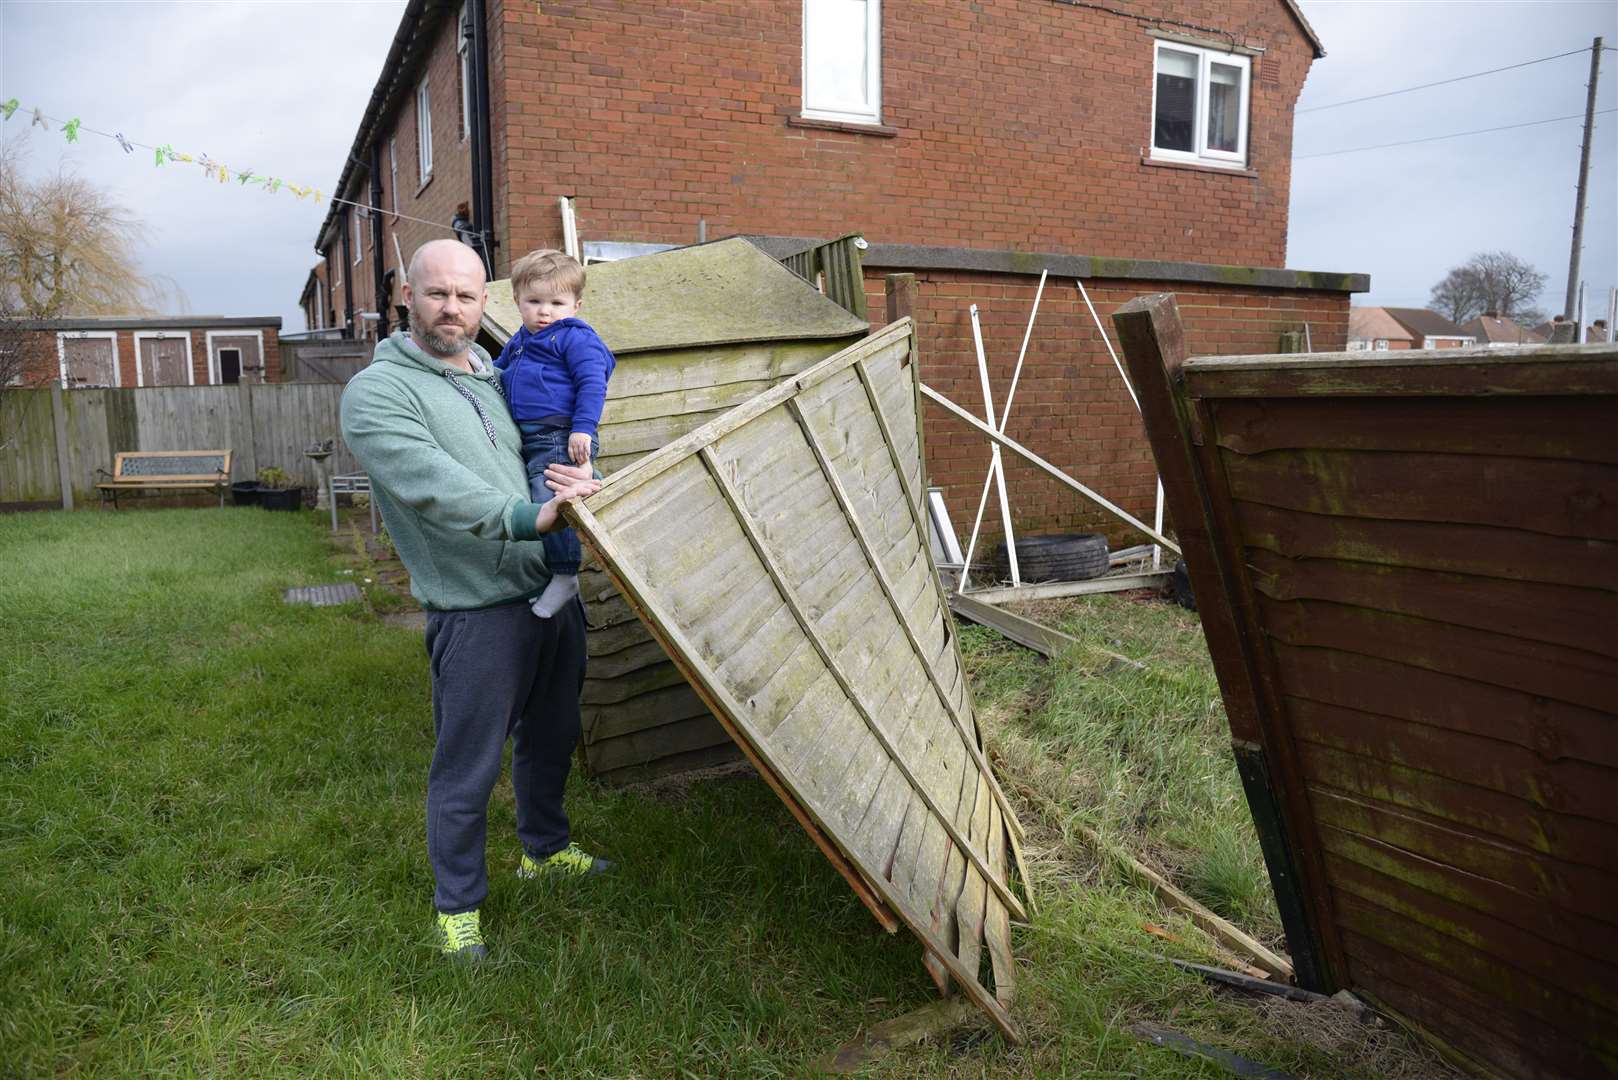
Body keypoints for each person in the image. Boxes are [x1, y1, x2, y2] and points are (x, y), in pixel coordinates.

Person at [339, 238, 611, 965]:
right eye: (437, 294)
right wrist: (528, 519)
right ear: (407, 295)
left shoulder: (497, 368)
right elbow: (434, 484)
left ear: (483, 300)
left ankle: (544, 851)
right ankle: (457, 908)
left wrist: (574, 481)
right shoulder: (378, 394)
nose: (452, 308)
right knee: (468, 766)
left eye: (466, 295)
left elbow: (543, 439)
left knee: (553, 736)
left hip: (548, 592)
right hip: (476, 609)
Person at [494, 249, 616, 618]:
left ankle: (564, 575)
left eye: (556, 303)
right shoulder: (519, 342)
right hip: (532, 438)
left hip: (562, 434)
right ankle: (595, 485)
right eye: (534, 301)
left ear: (576, 305)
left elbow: (593, 382)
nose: (544, 312)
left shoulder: (573, 338)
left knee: (551, 498)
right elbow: (495, 373)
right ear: (516, 301)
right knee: (543, 493)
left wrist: (583, 428)